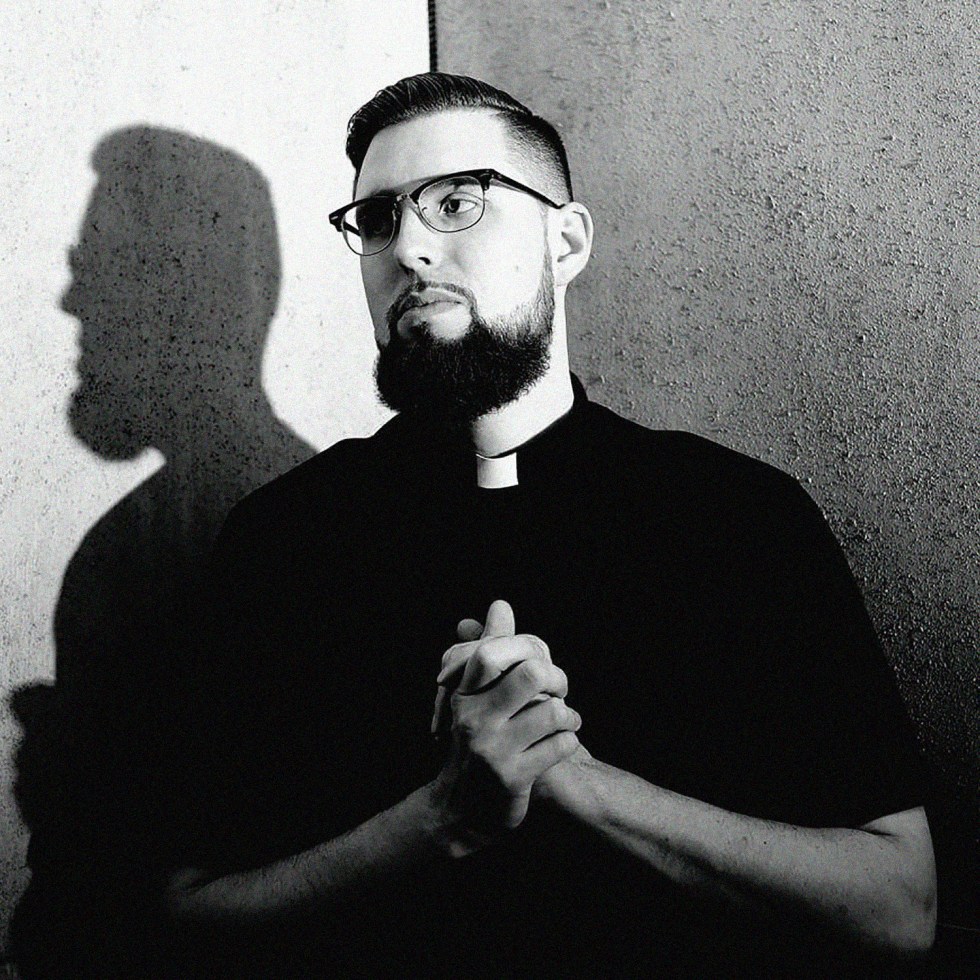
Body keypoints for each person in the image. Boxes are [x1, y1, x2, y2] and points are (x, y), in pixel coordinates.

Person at [165, 73, 936, 977]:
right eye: (377, 218)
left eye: (458, 201)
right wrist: (436, 821)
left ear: (564, 241)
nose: (408, 247)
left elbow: (901, 906)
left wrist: (572, 781)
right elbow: (182, 914)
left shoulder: (733, 519)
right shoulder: (283, 541)